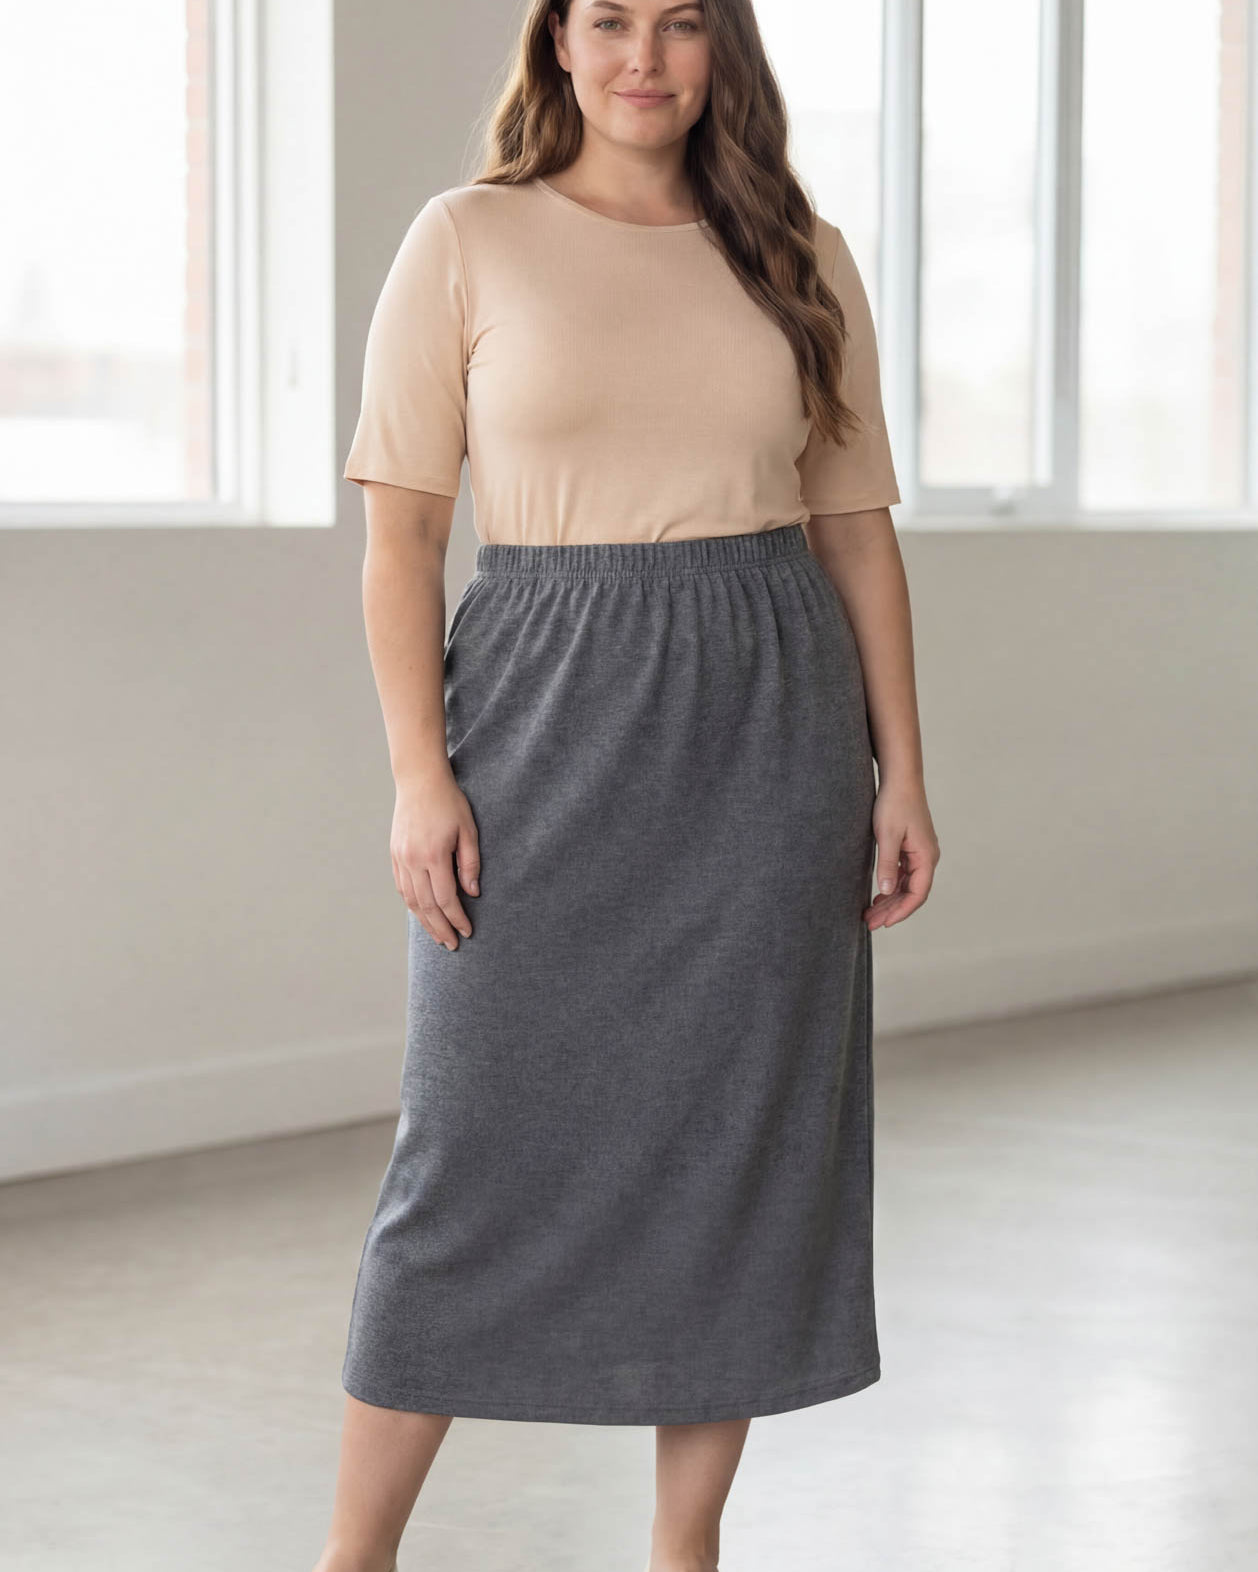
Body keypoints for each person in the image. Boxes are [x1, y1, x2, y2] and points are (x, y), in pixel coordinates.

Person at [318, 1, 940, 1569]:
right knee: (466, 1143)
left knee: (735, 1140)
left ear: (721, 48)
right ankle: (352, 1555)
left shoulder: (797, 252)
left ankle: (682, 1550)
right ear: (558, 43)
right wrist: (418, 775)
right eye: (608, 18)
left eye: (679, 22)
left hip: (766, 719)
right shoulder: (467, 238)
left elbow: (853, 529)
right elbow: (401, 535)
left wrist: (901, 773)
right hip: (536, 703)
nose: (642, 55)